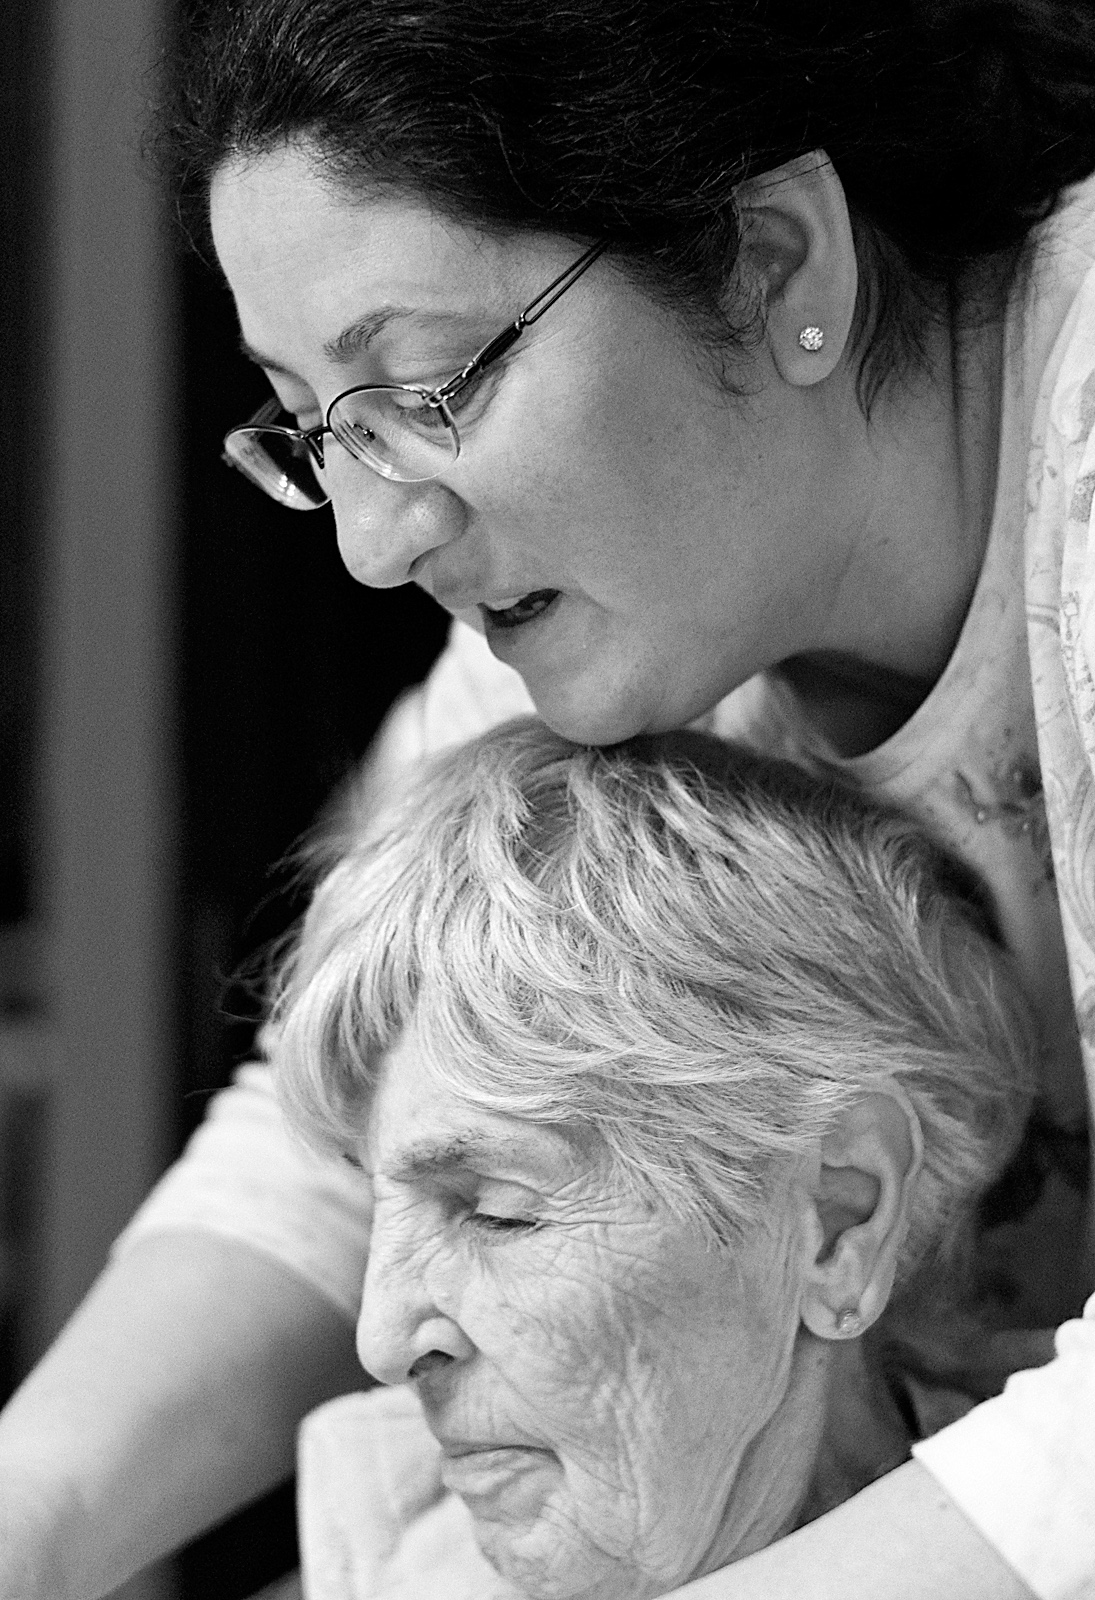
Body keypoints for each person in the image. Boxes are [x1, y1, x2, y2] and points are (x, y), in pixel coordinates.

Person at [1, 1, 1094, 1596]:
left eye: (430, 387)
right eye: (318, 430)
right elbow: (352, 1132)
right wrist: (29, 1514)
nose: (372, 542)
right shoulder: (628, 602)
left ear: (775, 260)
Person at [276, 719, 1040, 1600]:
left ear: (837, 1223)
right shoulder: (379, 1554)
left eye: (494, 1210)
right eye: (377, 1208)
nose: (381, 1339)